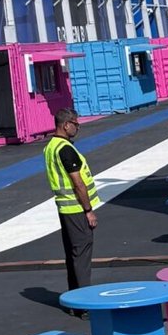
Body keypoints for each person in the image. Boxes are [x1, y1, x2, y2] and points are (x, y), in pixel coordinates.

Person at [43, 109, 100, 298]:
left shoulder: (51, 146)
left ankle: (74, 299)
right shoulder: (65, 149)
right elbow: (78, 183)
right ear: (66, 125)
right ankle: (84, 302)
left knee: (73, 255)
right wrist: (88, 210)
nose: (78, 128)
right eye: (76, 124)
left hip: (64, 208)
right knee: (82, 255)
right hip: (76, 208)